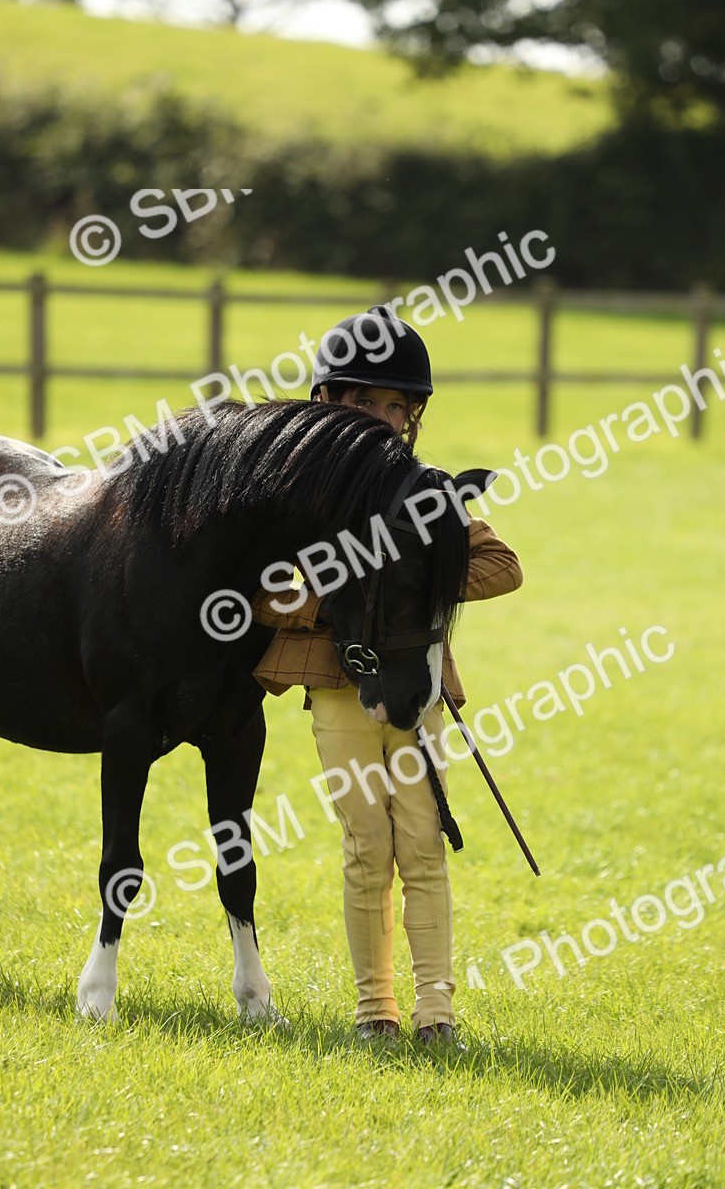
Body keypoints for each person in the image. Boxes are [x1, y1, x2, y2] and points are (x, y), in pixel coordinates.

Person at [250, 306, 523, 1044]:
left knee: (425, 842)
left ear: (413, 415)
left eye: (394, 404)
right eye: (364, 400)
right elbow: (264, 596)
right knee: (367, 846)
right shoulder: (298, 495)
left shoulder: (423, 488)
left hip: (418, 687)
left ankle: (438, 1013)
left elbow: (502, 567)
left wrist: (410, 580)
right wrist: (343, 595)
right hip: (338, 690)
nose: (380, 415)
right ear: (328, 401)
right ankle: (377, 1011)